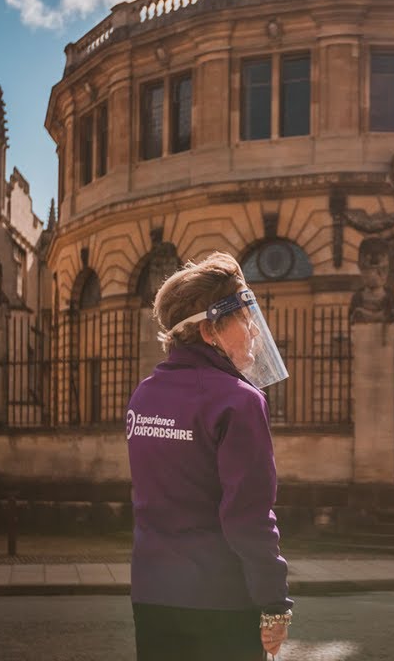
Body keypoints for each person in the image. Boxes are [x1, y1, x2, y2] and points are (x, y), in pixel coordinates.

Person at [127, 251, 293, 661]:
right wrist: (274, 603)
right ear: (209, 330)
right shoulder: (239, 401)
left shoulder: (144, 395)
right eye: (243, 318)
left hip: (152, 596)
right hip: (221, 601)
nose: (253, 330)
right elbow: (248, 517)